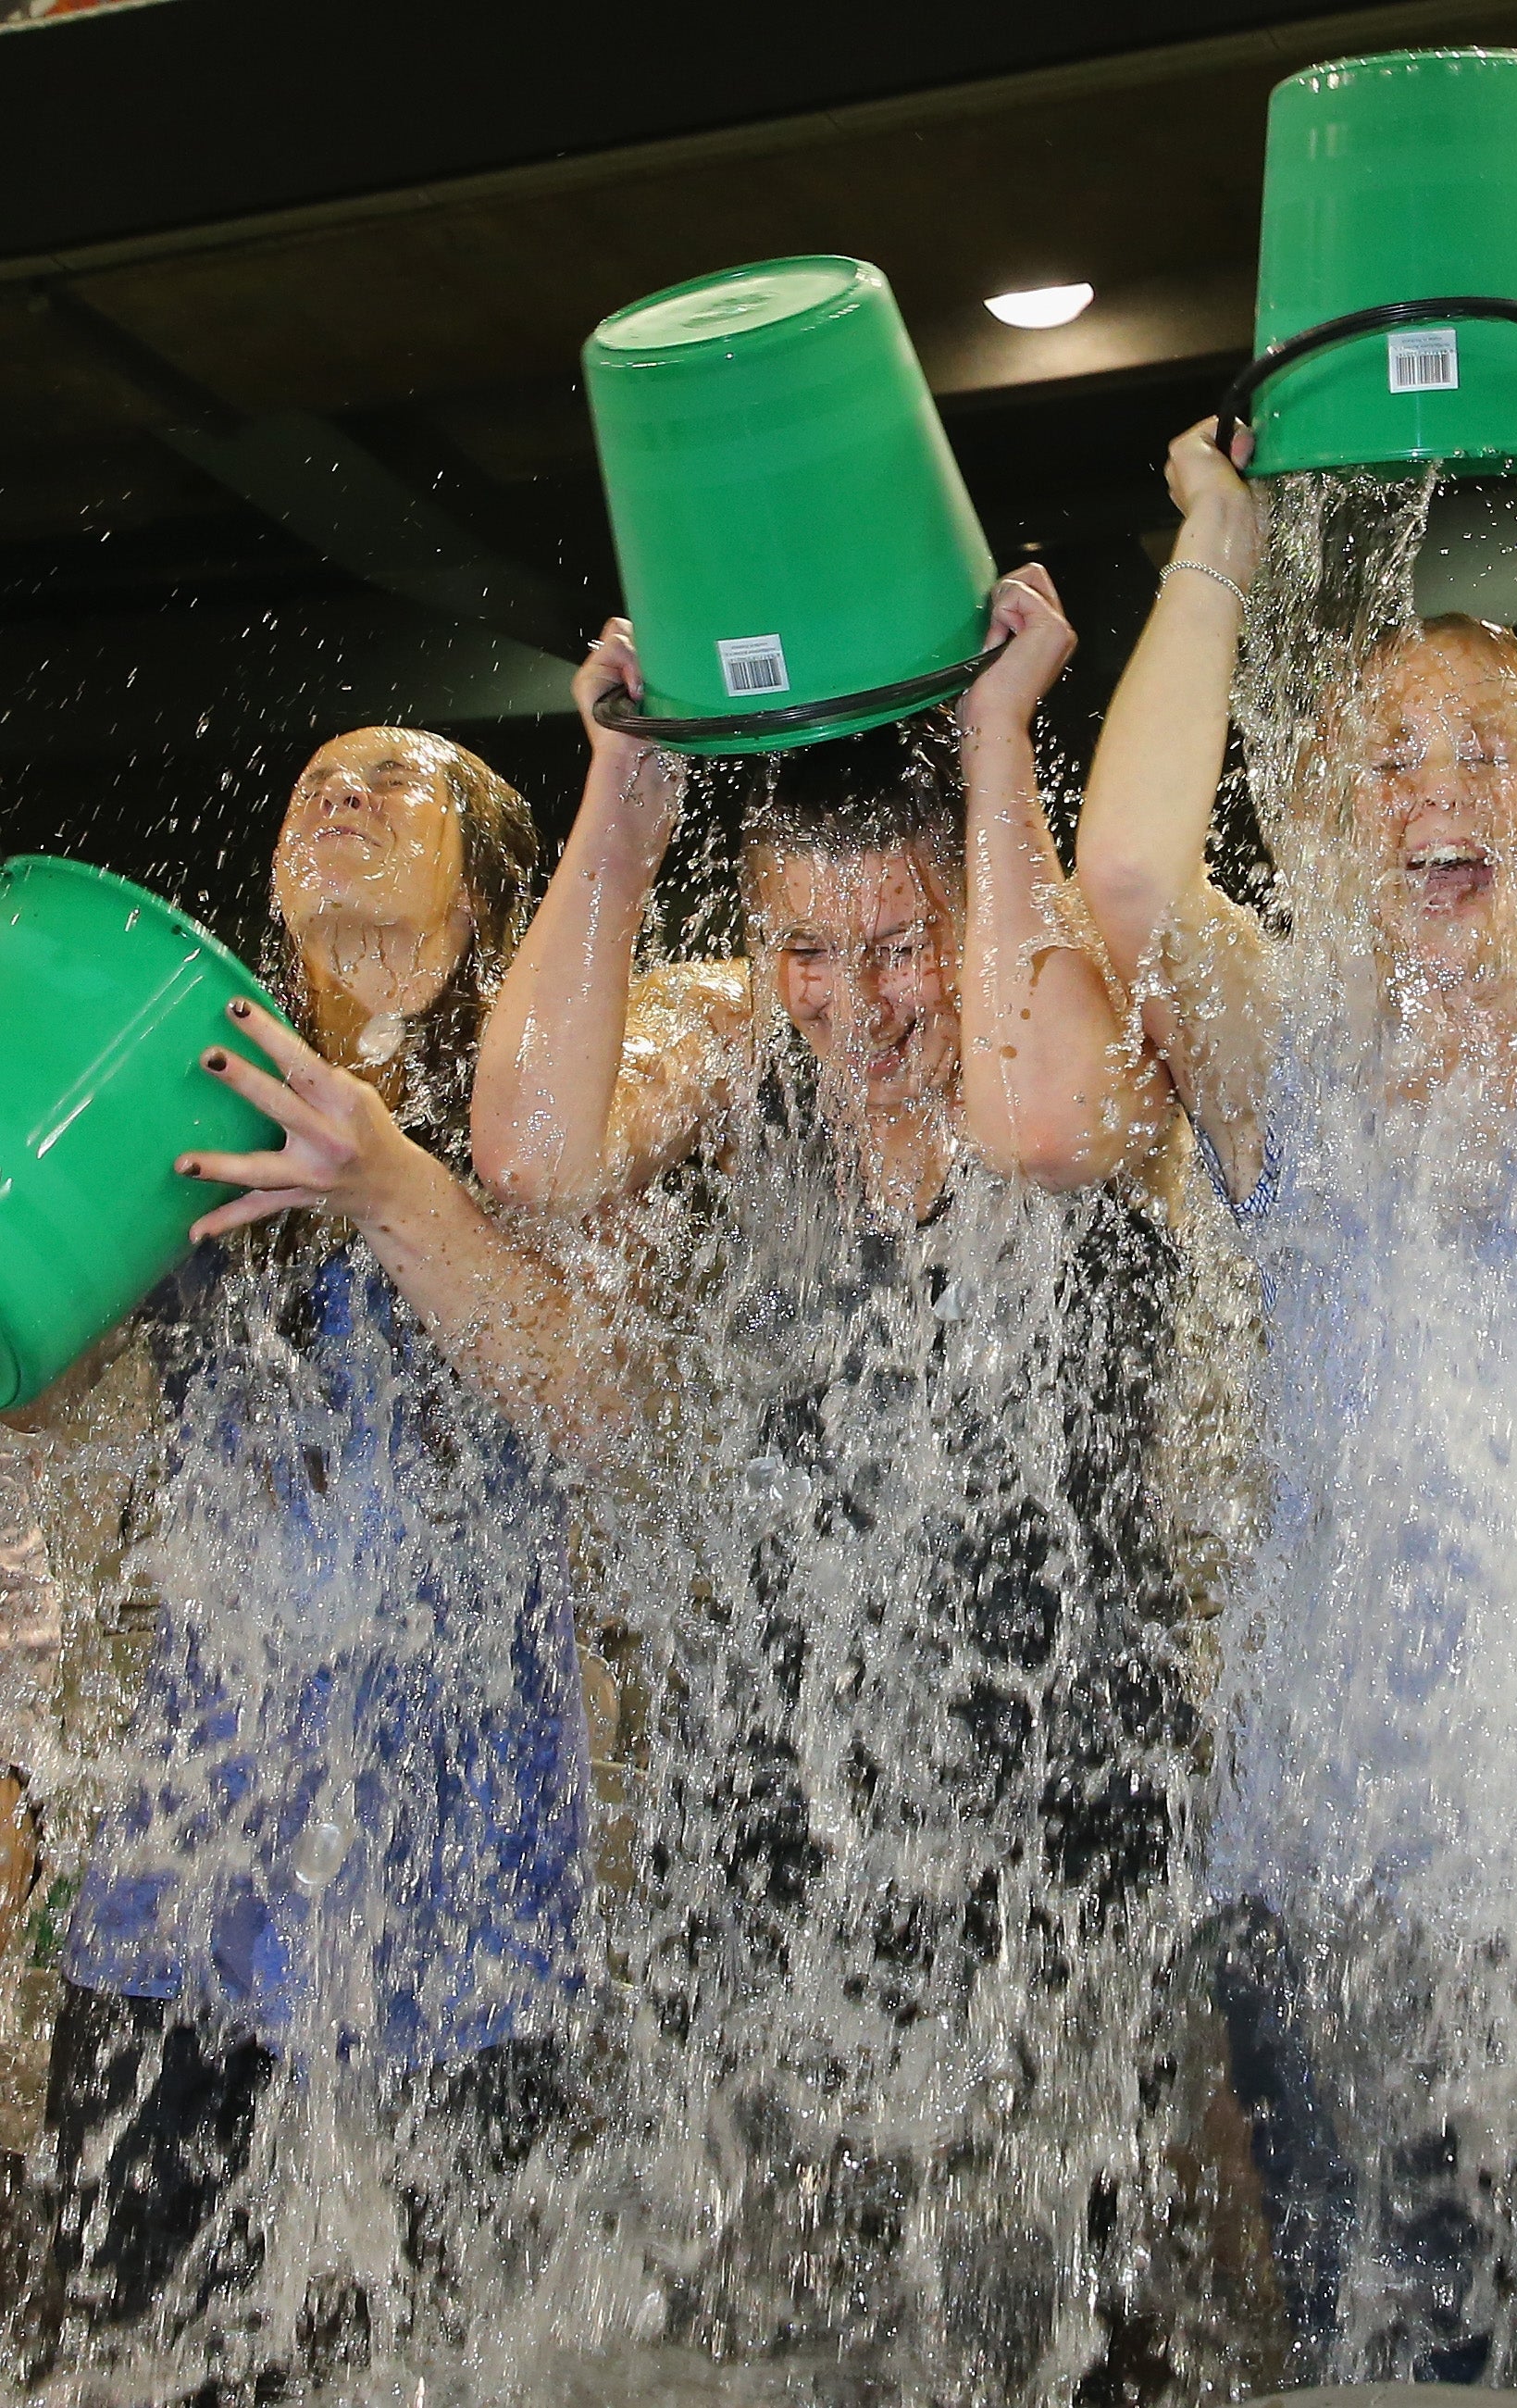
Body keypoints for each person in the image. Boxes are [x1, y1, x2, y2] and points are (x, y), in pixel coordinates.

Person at [959, 405, 1517, 2406]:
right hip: (1346, 1867)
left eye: (1483, 753)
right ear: (1309, 815)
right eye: (1381, 758)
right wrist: (1214, 532)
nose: (1432, 792)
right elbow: (1120, 867)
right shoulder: (1279, 1053)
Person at [469, 596, 1188, 2392]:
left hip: (1058, 1803)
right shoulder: (735, 1050)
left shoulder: (1077, 1021)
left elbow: (1028, 1128)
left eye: (900, 944)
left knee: (1055, 2335)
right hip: (773, 1800)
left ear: (972, 906)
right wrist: (626, 796)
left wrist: (1003, 740)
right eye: (806, 948)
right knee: (772, 2327)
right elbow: (531, 1159)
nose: (856, 1003)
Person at [8, 727, 618, 2371]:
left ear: (491, 888)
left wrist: (389, 1180)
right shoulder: (176, 1097)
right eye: (313, 784)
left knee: (459, 2343)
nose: (335, 795)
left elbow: (607, 1413)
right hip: (198, 1854)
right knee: (131, 2335)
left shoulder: (543, 1099)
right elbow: (40, 1382)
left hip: (467, 1855)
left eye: (395, 779)